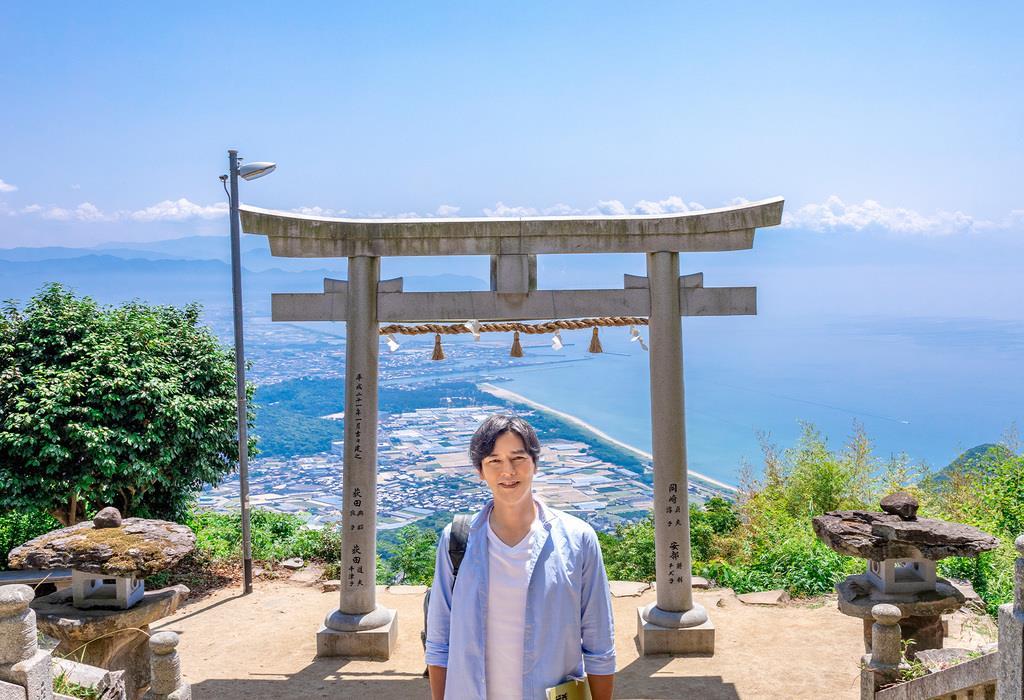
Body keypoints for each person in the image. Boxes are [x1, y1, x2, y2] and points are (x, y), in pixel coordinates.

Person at [425, 413, 616, 700]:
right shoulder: (457, 539)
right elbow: (440, 640)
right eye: (494, 461)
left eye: (518, 458)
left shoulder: (578, 539)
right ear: (480, 470)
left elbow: (599, 643)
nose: (508, 472)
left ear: (535, 463)